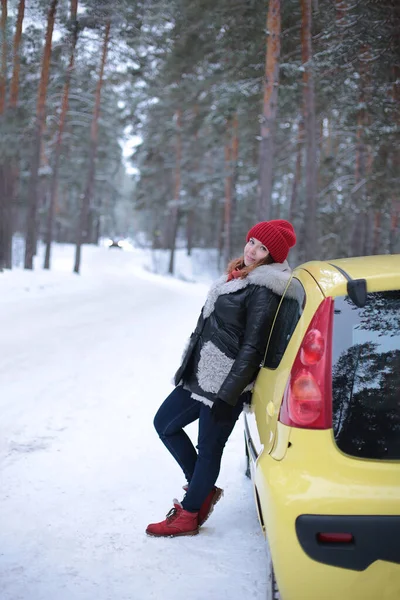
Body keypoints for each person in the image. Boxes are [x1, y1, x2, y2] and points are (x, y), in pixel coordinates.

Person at [146, 220, 297, 538]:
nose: (253, 250)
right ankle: (201, 491)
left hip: (226, 383)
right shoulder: (240, 274)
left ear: (273, 256)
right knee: (165, 424)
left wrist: (228, 394)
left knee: (209, 448)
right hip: (201, 375)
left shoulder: (264, 288)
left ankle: (188, 515)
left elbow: (253, 347)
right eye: (252, 241)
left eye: (262, 247)